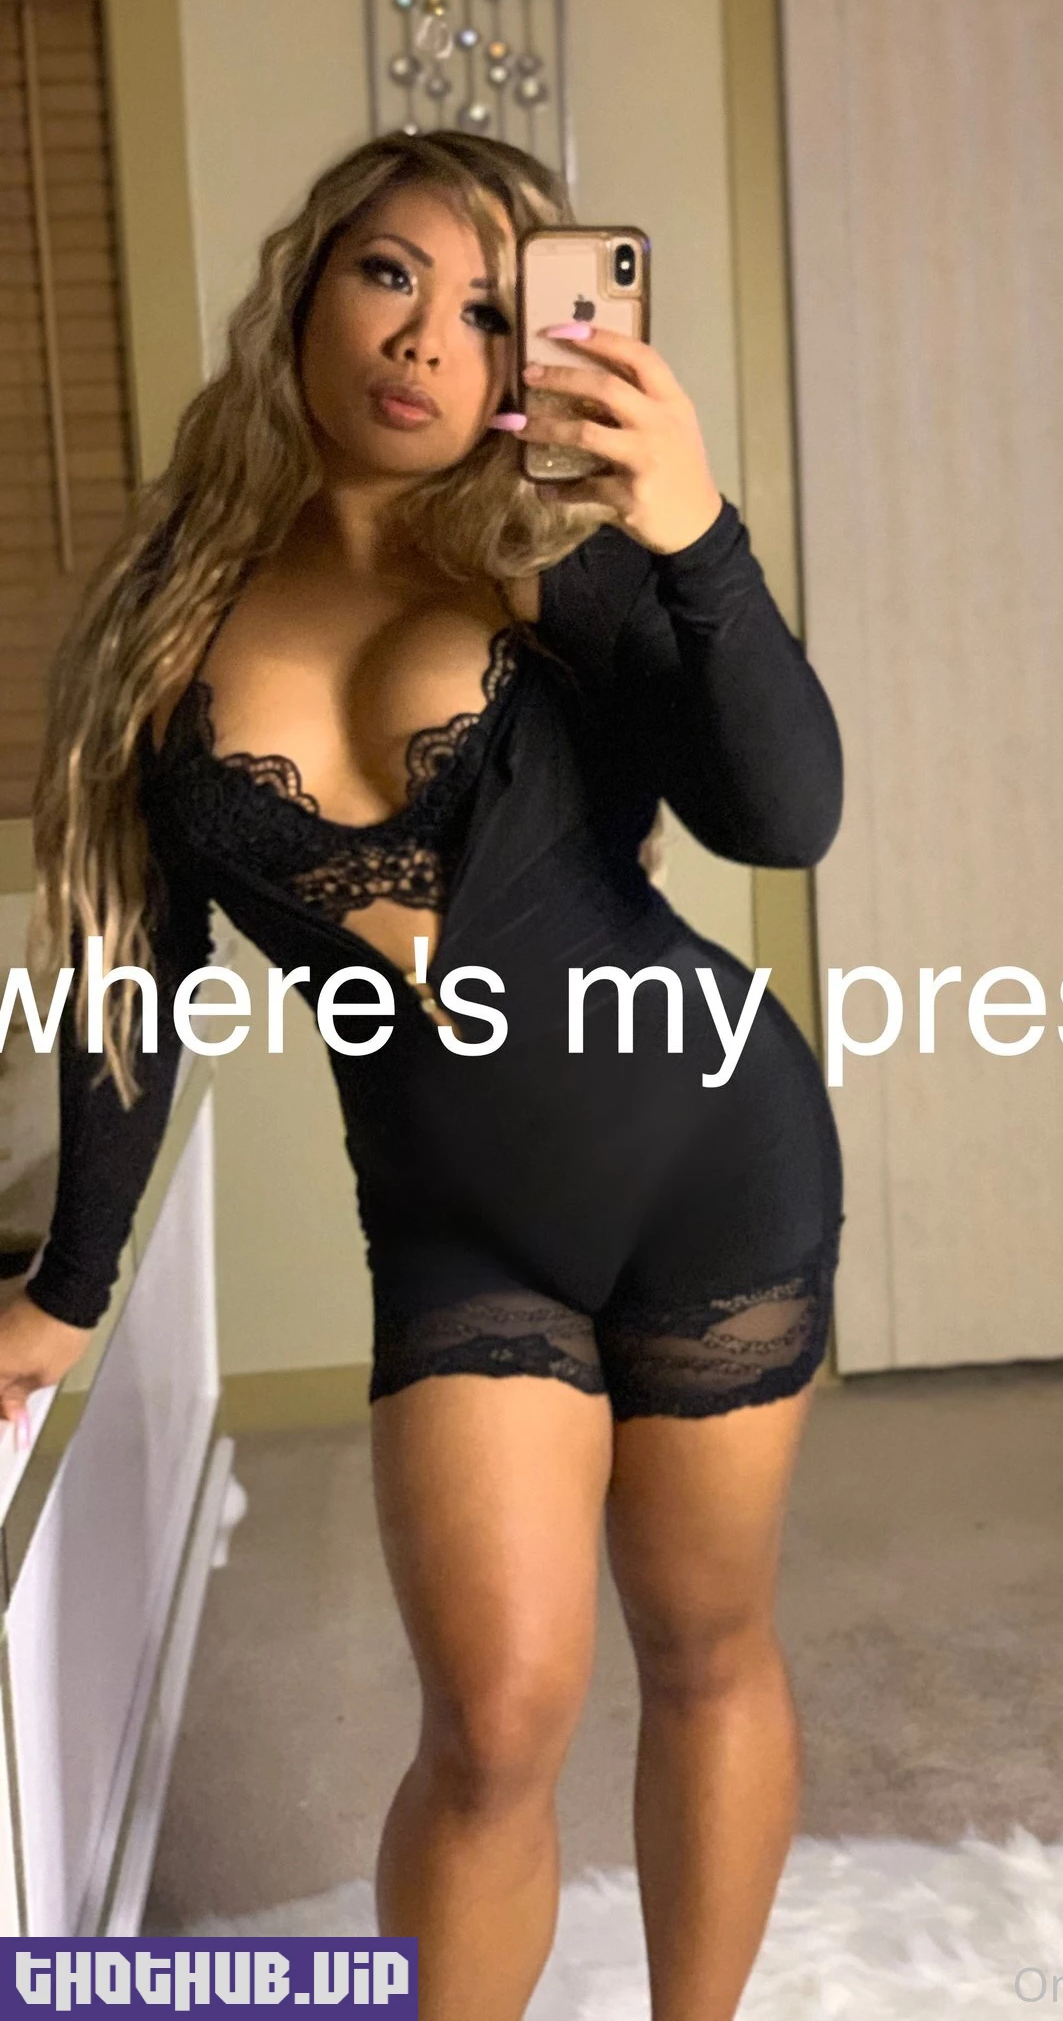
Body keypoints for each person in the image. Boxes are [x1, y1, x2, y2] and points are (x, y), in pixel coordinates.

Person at [0, 129, 844, 2019]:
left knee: (704, 1645)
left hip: (712, 1159)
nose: (423, 343)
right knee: (491, 1724)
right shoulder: (162, 619)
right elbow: (132, 971)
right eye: (389, 276)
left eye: (484, 311)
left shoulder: (558, 558)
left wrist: (696, 530)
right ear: (307, 284)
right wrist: (68, 1288)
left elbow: (787, 817)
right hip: (465, 1228)